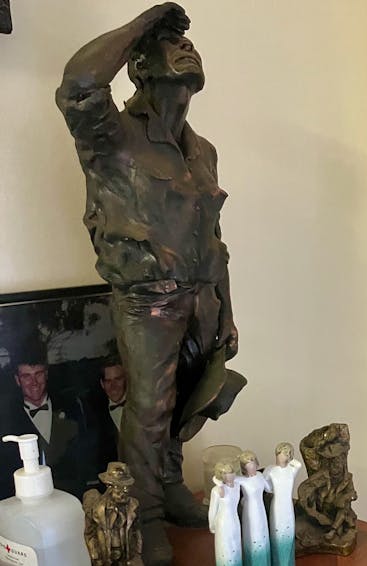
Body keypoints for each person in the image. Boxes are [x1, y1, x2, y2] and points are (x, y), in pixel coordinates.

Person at [55, 5, 246, 562]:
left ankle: (167, 486)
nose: (188, 48)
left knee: (187, 401)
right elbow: (80, 84)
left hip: (203, 295)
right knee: (151, 404)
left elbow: (215, 236)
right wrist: (147, 21)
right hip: (148, 298)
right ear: (140, 65)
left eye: (188, 43)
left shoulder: (202, 150)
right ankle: (145, 515)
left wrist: (227, 311)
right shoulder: (112, 134)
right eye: (171, 45)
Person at [0, 346, 83, 498]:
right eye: (26, 376)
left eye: (38, 374)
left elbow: (85, 451)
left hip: (71, 496)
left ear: (46, 375)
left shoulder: (71, 405)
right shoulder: (5, 419)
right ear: (18, 380)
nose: (34, 382)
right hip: (27, 502)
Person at [83, 461, 143, 566]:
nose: (124, 492)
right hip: (105, 556)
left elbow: (137, 529)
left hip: (127, 556)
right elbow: (90, 534)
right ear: (109, 487)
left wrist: (137, 552)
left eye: (126, 488)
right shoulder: (96, 510)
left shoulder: (134, 505)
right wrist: (95, 556)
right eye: (119, 488)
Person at [263, 442, 302, 566]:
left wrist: (290, 457)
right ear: (276, 453)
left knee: (288, 534)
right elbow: (267, 487)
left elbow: (298, 464)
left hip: (288, 507)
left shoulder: (291, 469)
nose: (284, 456)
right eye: (282, 453)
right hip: (277, 507)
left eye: (287, 454)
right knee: (277, 534)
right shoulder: (270, 470)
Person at [237, 451, 272, 566]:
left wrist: (271, 473)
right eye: (248, 466)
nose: (251, 468)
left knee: (262, 533)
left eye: (253, 464)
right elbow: (228, 485)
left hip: (260, 509)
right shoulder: (241, 480)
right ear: (244, 468)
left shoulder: (261, 476)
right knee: (252, 535)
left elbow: (269, 488)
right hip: (249, 512)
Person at [208, 461, 242, 566]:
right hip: (223, 523)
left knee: (235, 546)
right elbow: (212, 510)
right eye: (227, 473)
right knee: (225, 548)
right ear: (221, 475)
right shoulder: (216, 490)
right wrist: (212, 526)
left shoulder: (237, 486)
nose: (231, 475)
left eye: (232, 472)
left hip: (235, 520)